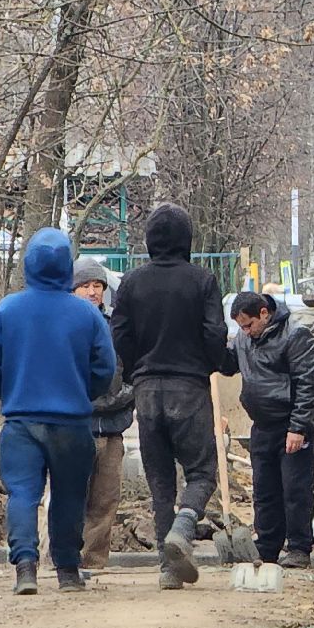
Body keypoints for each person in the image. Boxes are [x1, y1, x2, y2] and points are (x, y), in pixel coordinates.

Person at [0, 229, 117, 595]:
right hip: (72, 422)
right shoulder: (86, 315)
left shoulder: (9, 309)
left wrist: (12, 393)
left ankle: (25, 567)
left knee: (22, 493)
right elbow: (105, 369)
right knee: (70, 494)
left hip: (21, 421)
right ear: (66, 269)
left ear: (28, 264)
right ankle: (68, 571)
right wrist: (80, 393)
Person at [110, 204, 228, 590]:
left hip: (146, 391)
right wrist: (222, 363)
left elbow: (120, 336)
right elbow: (214, 334)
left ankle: (167, 567)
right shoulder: (202, 280)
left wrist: (133, 372)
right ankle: (184, 524)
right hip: (189, 388)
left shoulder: (131, 282)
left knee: (160, 481)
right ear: (186, 239)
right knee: (202, 470)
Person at [222, 292, 314, 567]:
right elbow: (230, 364)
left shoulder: (296, 337)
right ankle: (267, 546)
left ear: (264, 313)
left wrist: (298, 427)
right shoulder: (245, 339)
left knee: (295, 489)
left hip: (290, 424)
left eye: (249, 324)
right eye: (241, 327)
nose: (246, 331)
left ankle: (299, 547)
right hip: (262, 425)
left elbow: (307, 385)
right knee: (264, 490)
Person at [72, 256, 135, 570]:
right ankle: (62, 559)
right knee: (68, 498)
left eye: (97, 285)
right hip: (72, 428)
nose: (93, 291)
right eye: (85, 285)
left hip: (111, 430)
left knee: (105, 500)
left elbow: (132, 371)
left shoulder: (116, 327)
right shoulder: (63, 325)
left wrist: (124, 397)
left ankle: (94, 563)